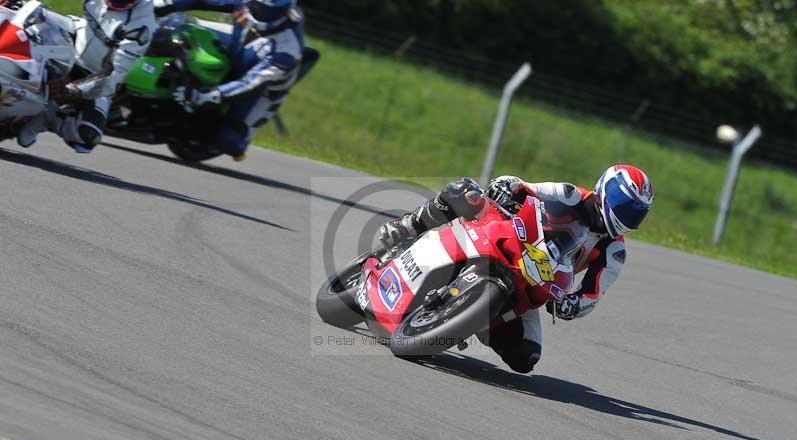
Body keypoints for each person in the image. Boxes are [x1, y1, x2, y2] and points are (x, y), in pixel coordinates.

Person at [379, 165, 655, 374]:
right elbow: (523, 186)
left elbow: (593, 294)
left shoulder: (614, 251)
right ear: (607, 190)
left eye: (637, 213)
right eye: (626, 206)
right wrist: (506, 186)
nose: (628, 216)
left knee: (525, 356)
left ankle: (472, 319)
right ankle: (409, 226)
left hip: (533, 278)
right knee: (465, 190)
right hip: (508, 235)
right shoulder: (570, 194)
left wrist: (573, 305)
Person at [152, 0, 311, 160]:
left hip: (261, 90)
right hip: (240, 43)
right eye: (257, 5)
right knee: (176, 27)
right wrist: (162, 5)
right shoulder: (245, 3)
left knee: (231, 142)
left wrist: (209, 96)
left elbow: (251, 84)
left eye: (269, 11)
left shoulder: (287, 49)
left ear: (285, 9)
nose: (260, 12)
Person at [17, 0, 156, 151]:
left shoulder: (140, 29)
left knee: (87, 137)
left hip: (96, 74)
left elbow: (114, 74)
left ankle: (46, 115)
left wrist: (73, 90)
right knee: (26, 12)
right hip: (74, 36)